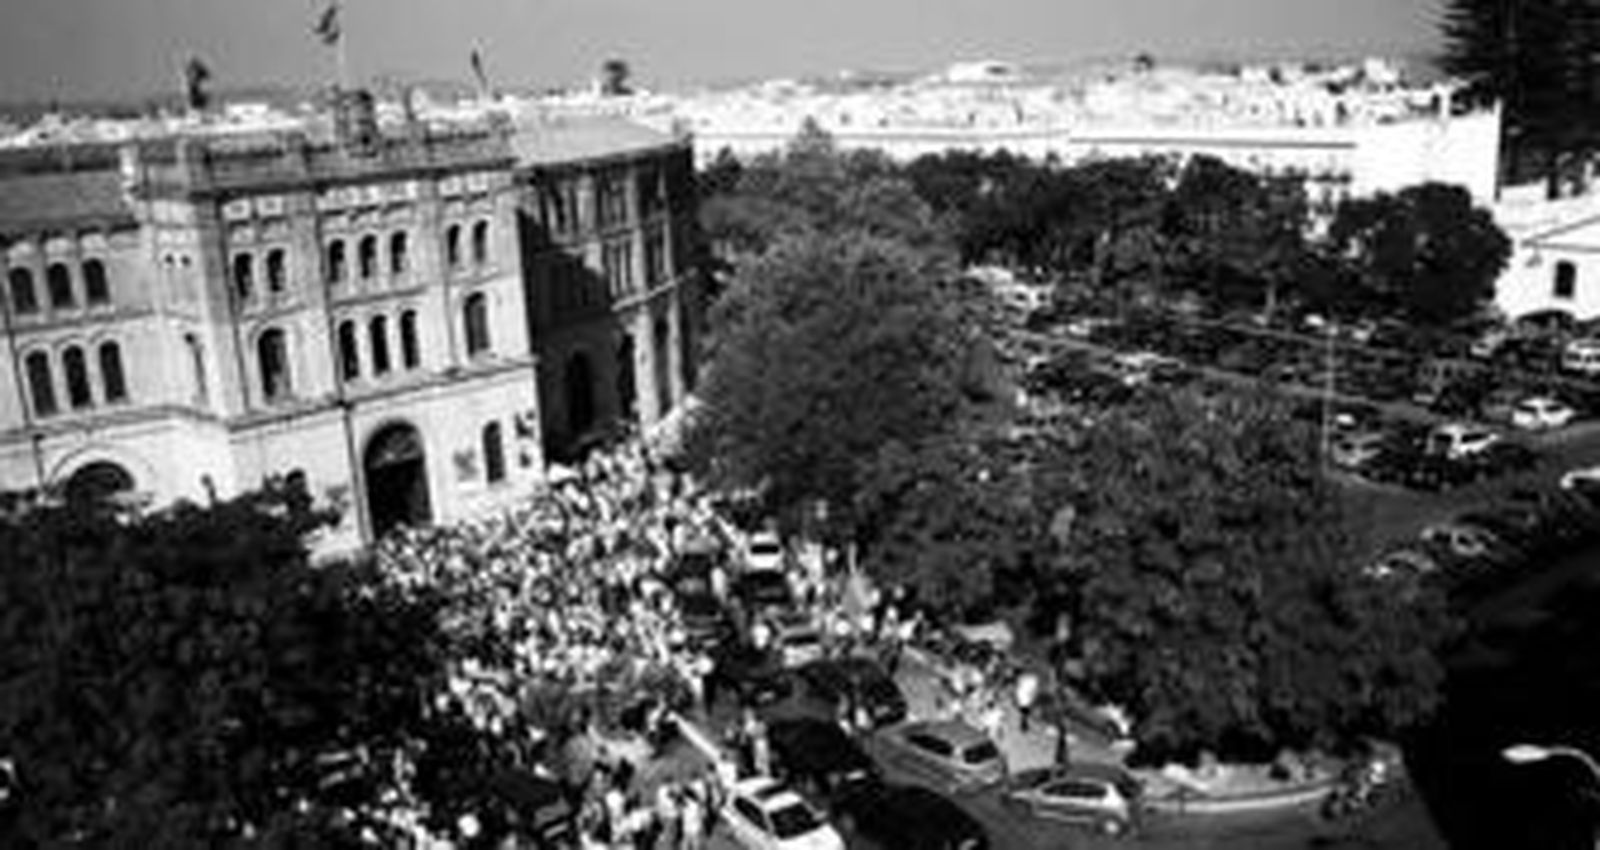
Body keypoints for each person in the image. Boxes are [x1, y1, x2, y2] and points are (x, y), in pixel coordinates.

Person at [1014, 668, 1040, 734]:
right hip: (1025, 699)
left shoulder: (1023, 679)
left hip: (1024, 700)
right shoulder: (1026, 679)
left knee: (1024, 713)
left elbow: (1019, 687)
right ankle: (1024, 725)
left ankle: (1024, 725)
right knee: (1025, 713)